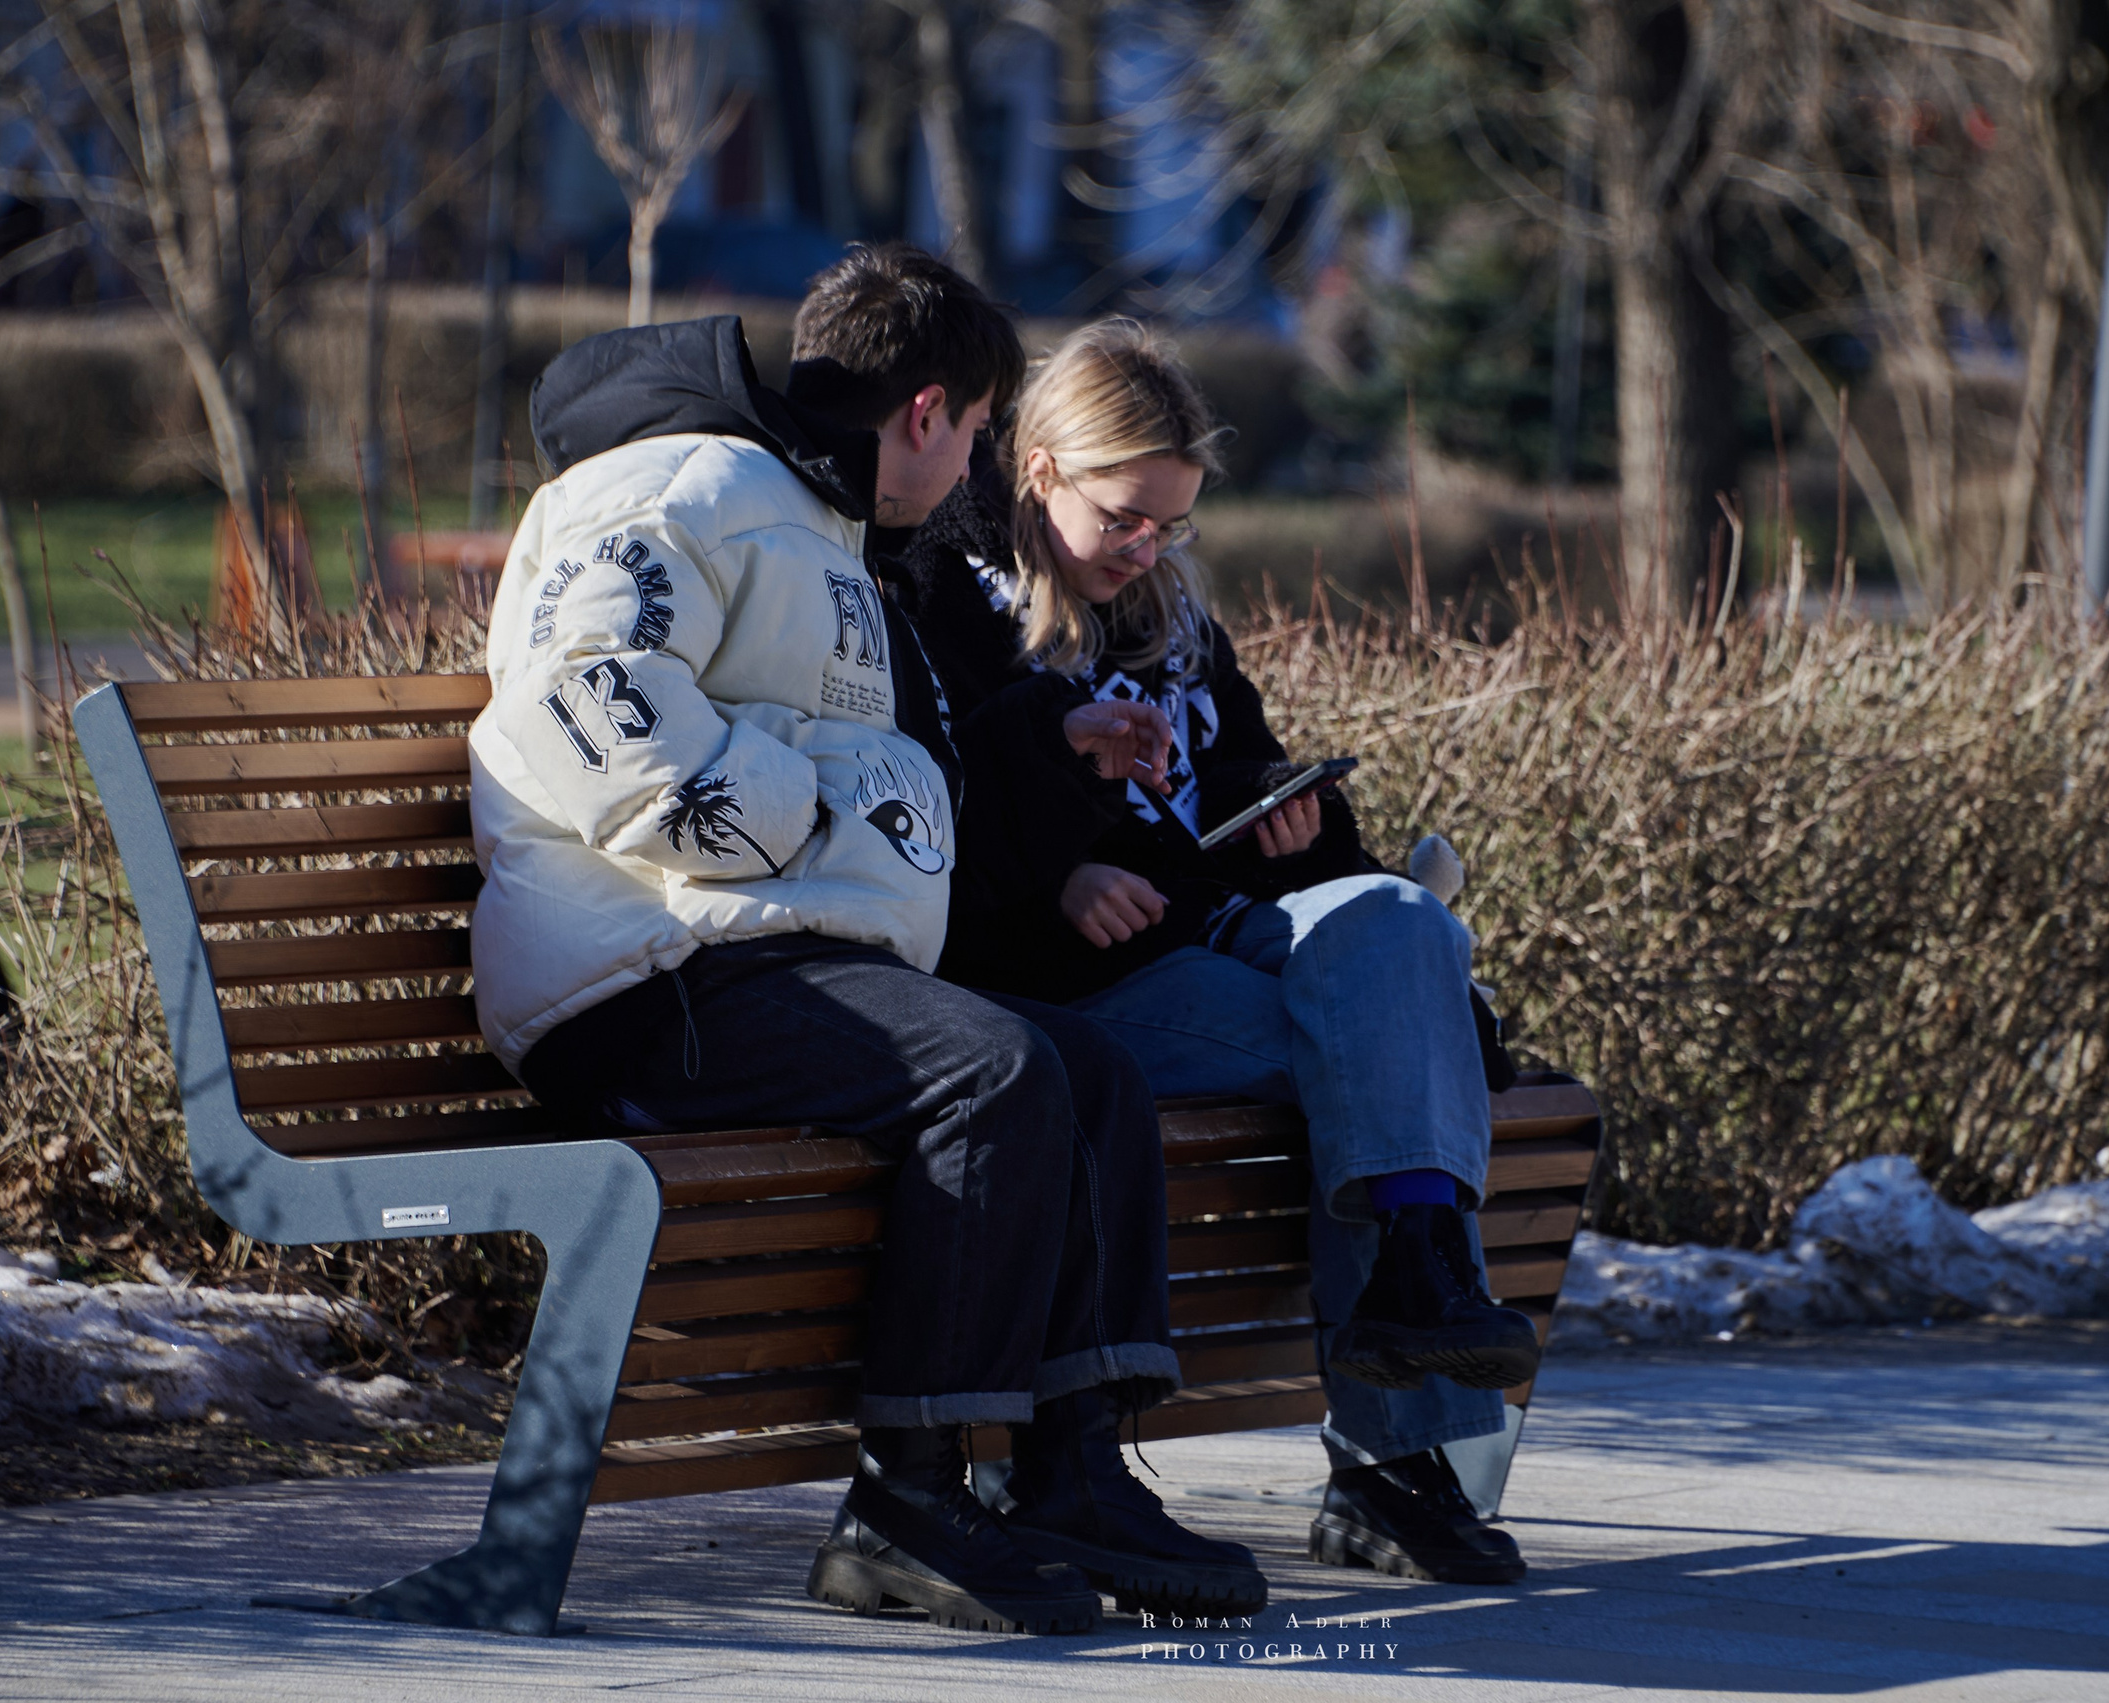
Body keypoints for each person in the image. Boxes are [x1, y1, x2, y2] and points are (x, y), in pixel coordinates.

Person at [467, 248, 1261, 1636]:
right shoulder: (677, 487)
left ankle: (1069, 1464)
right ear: (928, 408)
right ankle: (906, 1500)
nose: (972, 477)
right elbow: (586, 696)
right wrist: (800, 808)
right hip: (640, 978)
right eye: (971, 439)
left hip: (748, 959)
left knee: (1087, 1069)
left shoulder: (825, 527)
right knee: (997, 1071)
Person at [887, 319, 1539, 1586]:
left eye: (1172, 525)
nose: (1146, 549)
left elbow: (1226, 782)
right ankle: (1395, 1466)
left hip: (1217, 938)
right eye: (1126, 517)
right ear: (1039, 470)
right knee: (1392, 1053)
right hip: (1070, 989)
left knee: (1403, 920)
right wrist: (1063, 871)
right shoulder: (947, 602)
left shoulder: (1164, 616)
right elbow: (923, 806)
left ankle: (1418, 1274)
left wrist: (1285, 810)